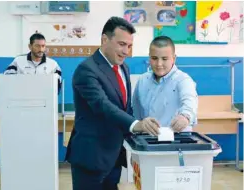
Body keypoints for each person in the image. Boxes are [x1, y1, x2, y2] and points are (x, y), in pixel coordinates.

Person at [65, 16, 160, 190]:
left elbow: (124, 106)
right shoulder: (87, 70)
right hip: (91, 157)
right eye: (122, 44)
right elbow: (102, 105)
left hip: (114, 156)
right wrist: (136, 124)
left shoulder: (124, 67)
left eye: (129, 46)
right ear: (104, 40)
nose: (126, 51)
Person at [132, 36, 198, 132]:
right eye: (154, 58)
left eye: (164, 59)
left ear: (174, 59)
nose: (159, 64)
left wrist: (185, 117)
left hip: (177, 141)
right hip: (147, 140)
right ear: (149, 57)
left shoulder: (183, 80)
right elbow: (135, 112)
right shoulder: (142, 80)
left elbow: (190, 102)